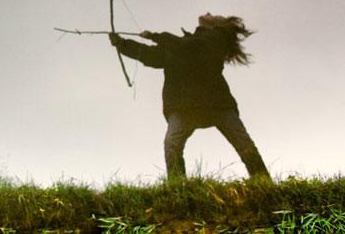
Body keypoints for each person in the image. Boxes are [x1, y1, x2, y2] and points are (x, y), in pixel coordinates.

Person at [109, 13, 270, 181]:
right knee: (172, 144)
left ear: (216, 24)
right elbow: (152, 55)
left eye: (213, 14)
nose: (208, 13)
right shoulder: (182, 45)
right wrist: (122, 44)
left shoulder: (215, 38)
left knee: (242, 142)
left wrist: (155, 36)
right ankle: (178, 186)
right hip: (184, 106)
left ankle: (263, 182)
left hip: (216, 103)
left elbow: (189, 47)